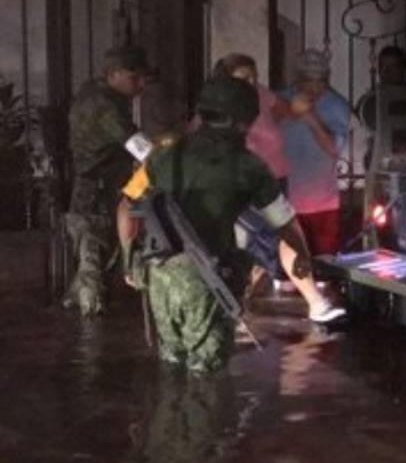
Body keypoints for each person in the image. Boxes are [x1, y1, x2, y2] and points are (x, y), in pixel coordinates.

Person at [118, 77, 314, 372]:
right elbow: (285, 224)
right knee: (206, 384)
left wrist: (128, 261)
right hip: (206, 281)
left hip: (158, 278)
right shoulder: (248, 166)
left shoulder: (163, 155)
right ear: (243, 121)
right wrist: (303, 257)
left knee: (172, 372)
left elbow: (124, 209)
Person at [214, 54, 345, 324]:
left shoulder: (263, 95)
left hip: (274, 181)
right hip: (241, 184)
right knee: (255, 242)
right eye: (243, 78)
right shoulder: (219, 106)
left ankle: (314, 303)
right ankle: (237, 306)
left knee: (286, 234)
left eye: (253, 76)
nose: (251, 83)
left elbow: (284, 112)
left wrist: (300, 111)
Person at [63, 45, 151, 316]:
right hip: (96, 189)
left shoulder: (97, 94)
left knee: (94, 253)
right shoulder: (104, 104)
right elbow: (135, 143)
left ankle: (79, 302)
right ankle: (90, 319)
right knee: (95, 252)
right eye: (134, 78)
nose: (141, 84)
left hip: (94, 184)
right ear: (114, 75)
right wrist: (159, 156)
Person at [279, 48, 351, 257]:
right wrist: (291, 111)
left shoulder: (336, 105)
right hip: (286, 203)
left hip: (323, 203)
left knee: (325, 266)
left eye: (320, 81)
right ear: (298, 80)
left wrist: (310, 117)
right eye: (308, 80)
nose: (314, 87)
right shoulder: (281, 99)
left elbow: (333, 149)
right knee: (289, 267)